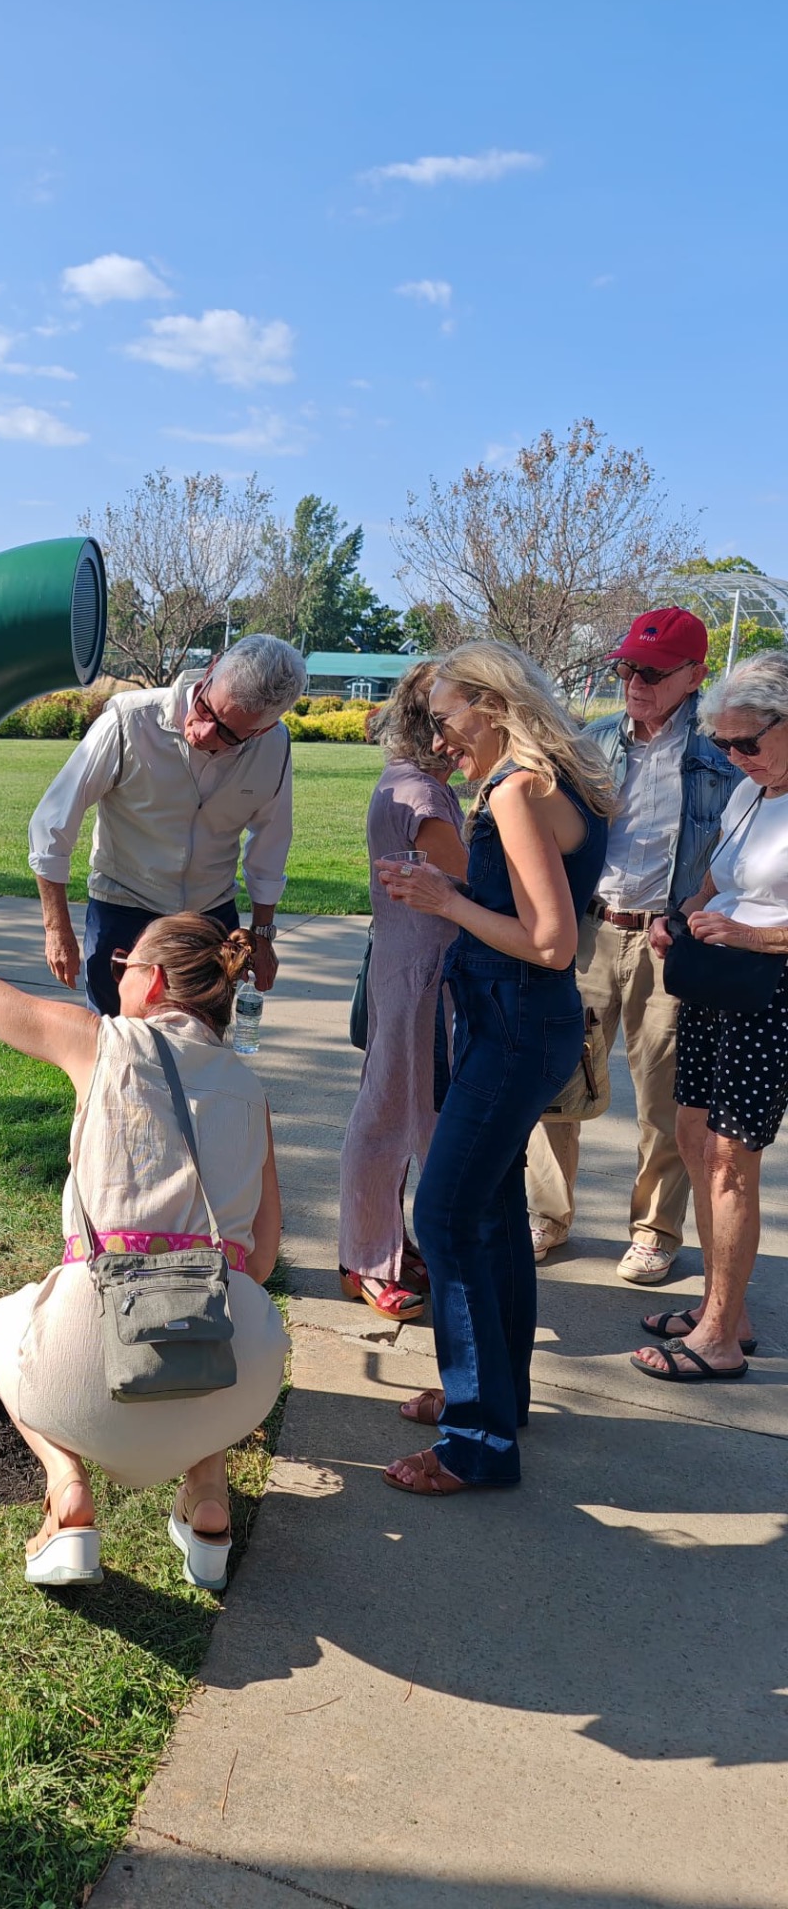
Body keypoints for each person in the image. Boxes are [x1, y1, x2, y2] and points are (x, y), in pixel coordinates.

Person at [0, 821, 288, 1589]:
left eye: (125, 963)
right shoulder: (253, 1093)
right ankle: (208, 1494)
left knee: (5, 1324)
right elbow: (266, 1258)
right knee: (218, 1301)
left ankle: (66, 1487)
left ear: (149, 983)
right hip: (227, 1383)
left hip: (88, 1373)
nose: (118, 977)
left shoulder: (102, 1042)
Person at [373, 642, 614, 1496]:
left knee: (441, 1217)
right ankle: (494, 1397)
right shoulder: (562, 776)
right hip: (519, 1025)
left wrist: (446, 900)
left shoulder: (517, 788)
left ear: (489, 700)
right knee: (492, 1208)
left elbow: (551, 944)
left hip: (514, 1021)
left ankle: (476, 1441)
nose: (441, 742)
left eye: (446, 720)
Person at [526, 608, 738, 1283]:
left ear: (695, 676)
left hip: (666, 942)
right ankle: (547, 1216)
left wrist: (693, 915)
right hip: (588, 929)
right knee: (557, 1079)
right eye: (624, 667)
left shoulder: (719, 755)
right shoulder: (590, 742)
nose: (633, 682)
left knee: (663, 1097)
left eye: (650, 671)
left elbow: (735, 855)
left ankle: (655, 1230)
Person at [632, 653, 788, 1383]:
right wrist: (684, 916)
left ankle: (720, 1339)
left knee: (731, 1160)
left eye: (747, 743)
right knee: (694, 1137)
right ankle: (724, 1309)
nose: (733, 757)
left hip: (767, 993)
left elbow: (761, 917)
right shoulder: (754, 791)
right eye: (724, 744)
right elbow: (718, 876)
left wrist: (753, 935)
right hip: (716, 981)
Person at [28, 634, 307, 1015]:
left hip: (210, 916)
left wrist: (262, 934)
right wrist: (56, 928)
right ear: (210, 673)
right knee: (116, 1044)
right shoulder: (129, 720)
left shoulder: (275, 745)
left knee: (201, 1046)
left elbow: (271, 842)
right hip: (124, 908)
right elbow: (52, 823)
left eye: (229, 733)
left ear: (261, 731)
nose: (205, 733)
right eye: (206, 709)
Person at [338, 662, 466, 1321]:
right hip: (421, 977)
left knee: (395, 1110)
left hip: (411, 967)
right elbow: (477, 887)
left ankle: (380, 1244)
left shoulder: (412, 786)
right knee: (395, 1119)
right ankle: (367, 1258)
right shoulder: (422, 798)